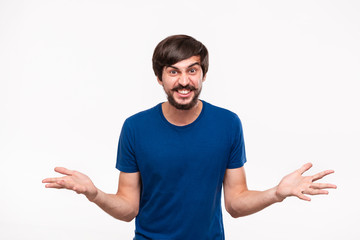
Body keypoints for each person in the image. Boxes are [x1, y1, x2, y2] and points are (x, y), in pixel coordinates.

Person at [42, 34, 336, 240]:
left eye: (192, 70)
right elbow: (128, 208)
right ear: (160, 78)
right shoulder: (135, 127)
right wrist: (94, 194)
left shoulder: (227, 124)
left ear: (203, 74)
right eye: (173, 72)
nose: (184, 81)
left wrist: (276, 193)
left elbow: (235, 203)